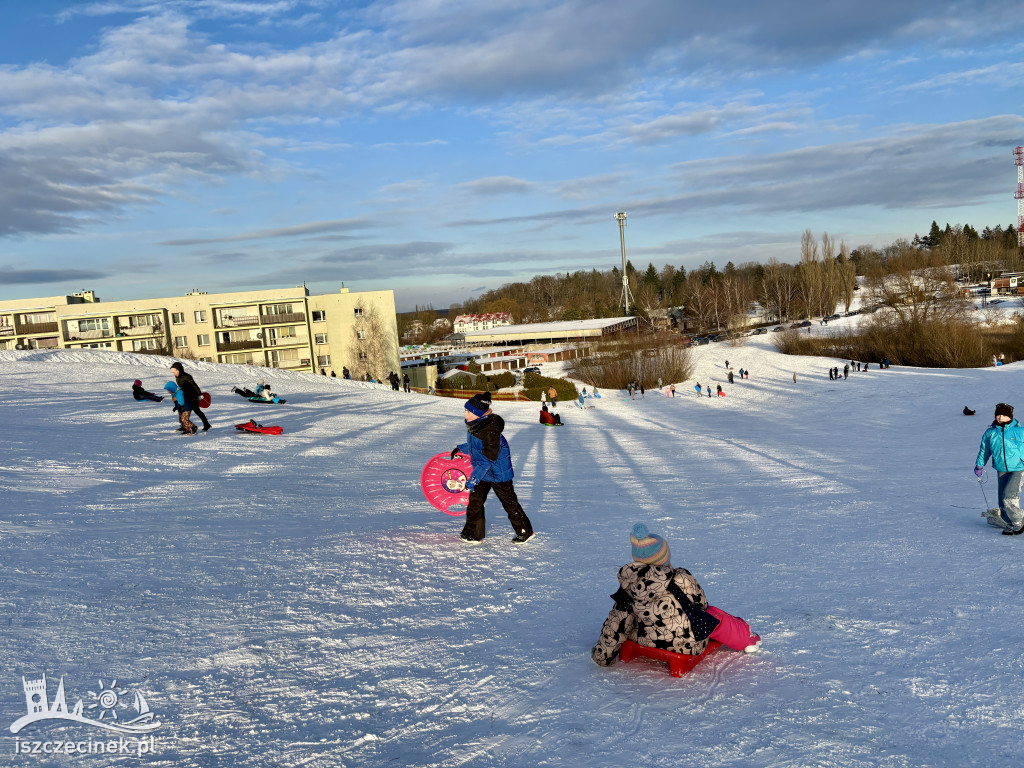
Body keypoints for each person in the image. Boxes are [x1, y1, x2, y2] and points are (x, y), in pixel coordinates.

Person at [591, 524, 760, 667]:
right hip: (685, 645)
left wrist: (602, 657)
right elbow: (701, 604)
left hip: (643, 640)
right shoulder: (680, 578)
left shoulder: (629, 587)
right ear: (664, 559)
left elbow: (616, 622)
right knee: (713, 614)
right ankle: (747, 638)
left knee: (626, 617)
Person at [451, 393, 534, 543]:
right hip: (483, 473)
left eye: (468, 412)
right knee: (475, 502)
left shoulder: (490, 432)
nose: (465, 414)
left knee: (509, 503)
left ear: (478, 413)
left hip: (498, 474)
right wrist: (460, 449)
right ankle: (472, 534)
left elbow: (487, 459)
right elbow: (476, 447)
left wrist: (472, 481)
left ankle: (525, 531)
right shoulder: (476, 425)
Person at [975, 403, 1024, 530]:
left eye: (1003, 415)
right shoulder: (990, 433)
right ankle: (1008, 521)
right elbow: (984, 450)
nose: (1000, 417)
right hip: (1001, 468)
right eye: (998, 415)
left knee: (1009, 494)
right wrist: (979, 465)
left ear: (1010, 417)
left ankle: (1018, 520)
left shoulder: (1020, 431)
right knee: (1002, 497)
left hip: (1019, 468)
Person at [170, 361, 211, 431]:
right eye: (172, 372)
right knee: (181, 411)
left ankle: (206, 424)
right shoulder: (177, 377)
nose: (173, 374)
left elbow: (194, 385)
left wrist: (199, 394)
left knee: (197, 411)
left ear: (178, 370)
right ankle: (184, 426)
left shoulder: (187, 376)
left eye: (174, 372)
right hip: (185, 396)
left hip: (193, 396)